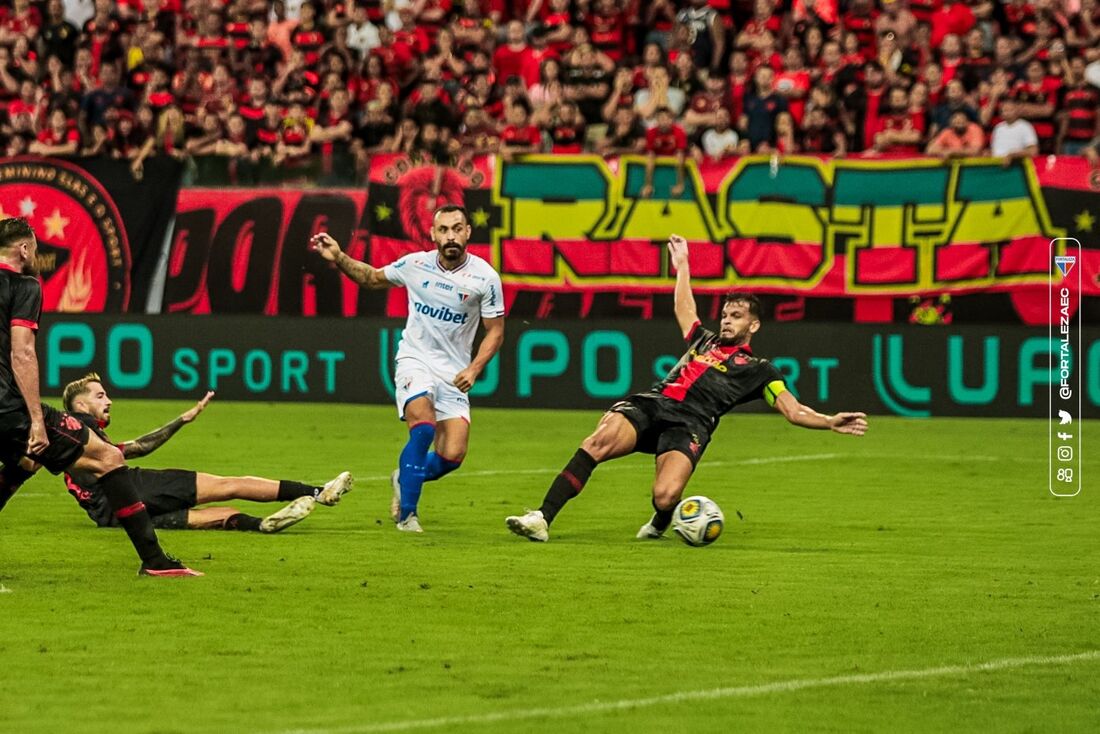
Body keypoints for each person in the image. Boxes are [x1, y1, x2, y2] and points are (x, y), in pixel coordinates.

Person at [506, 234, 868, 543]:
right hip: (655, 403)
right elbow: (685, 307)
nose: (726, 320)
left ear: (753, 326)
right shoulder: (704, 340)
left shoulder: (761, 371)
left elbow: (793, 410)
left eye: (736, 316)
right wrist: (683, 266)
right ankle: (542, 518)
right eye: (725, 314)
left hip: (691, 425)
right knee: (597, 440)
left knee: (665, 496)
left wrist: (828, 421)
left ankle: (661, 521)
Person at [0, 218, 199, 577]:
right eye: (36, 248)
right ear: (24, 249)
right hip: (6, 407)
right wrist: (35, 420)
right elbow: (22, 354)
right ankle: (154, 561)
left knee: (24, 463)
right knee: (107, 457)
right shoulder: (23, 285)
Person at [311, 205, 505, 533]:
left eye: (457, 228)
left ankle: (404, 476)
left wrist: (474, 369)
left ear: (469, 232)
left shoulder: (485, 278)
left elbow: (496, 331)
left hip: (453, 372)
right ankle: (408, 516)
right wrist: (340, 257)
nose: (451, 236)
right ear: (433, 234)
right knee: (424, 426)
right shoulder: (415, 264)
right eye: (443, 230)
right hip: (414, 360)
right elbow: (372, 278)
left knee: (452, 457)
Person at [59, 374, 353, 532]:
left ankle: (261, 525)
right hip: (136, 489)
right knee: (230, 485)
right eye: (100, 396)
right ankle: (318, 492)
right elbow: (139, 448)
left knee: (217, 517)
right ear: (81, 406)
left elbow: (124, 451)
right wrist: (182, 420)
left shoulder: (77, 442)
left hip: (116, 517)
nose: (109, 400)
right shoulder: (79, 427)